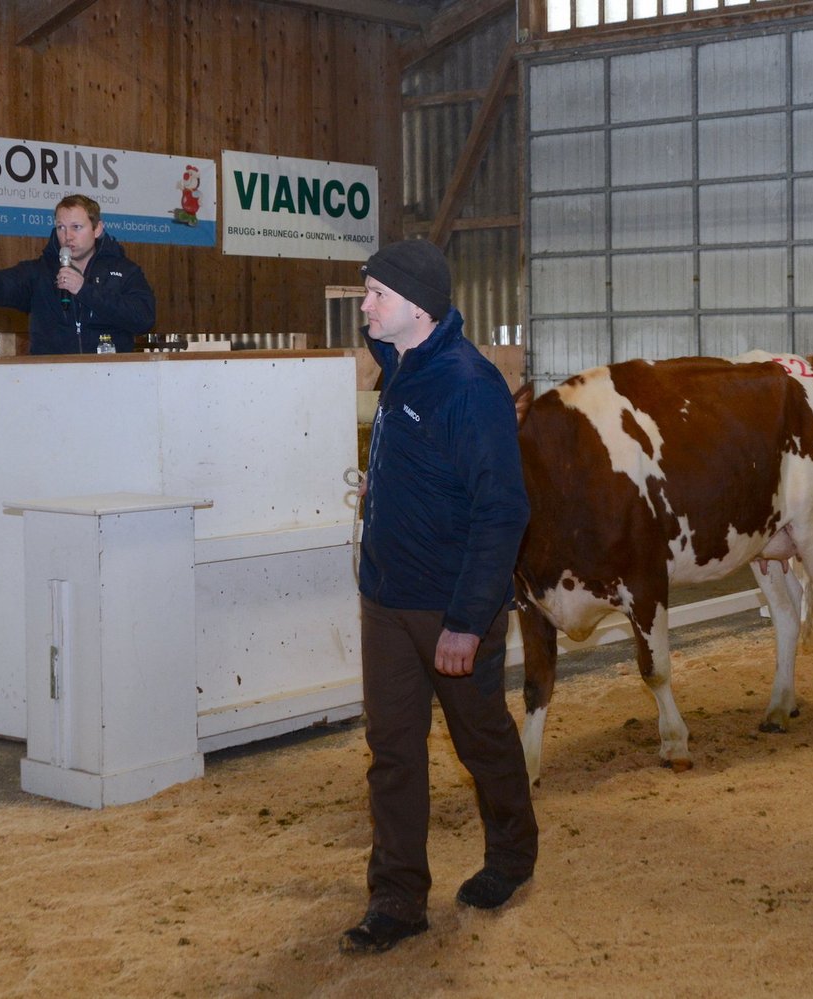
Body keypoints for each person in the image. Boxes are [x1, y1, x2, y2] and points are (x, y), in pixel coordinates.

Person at [340, 239, 538, 955]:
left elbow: (503, 510)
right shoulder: (400, 362)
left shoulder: (468, 386)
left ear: (417, 307)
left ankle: (512, 856)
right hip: (385, 599)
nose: (366, 307)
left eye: (376, 295)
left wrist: (467, 621)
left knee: (479, 738)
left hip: (449, 607)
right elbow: (434, 468)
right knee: (392, 750)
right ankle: (397, 896)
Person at [0, 194, 155, 355]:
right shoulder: (40, 272)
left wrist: (84, 290)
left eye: (76, 227)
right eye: (61, 227)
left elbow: (144, 319)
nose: (67, 236)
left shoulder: (125, 271)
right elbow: (4, 287)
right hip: (52, 377)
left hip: (110, 376)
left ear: (97, 229)